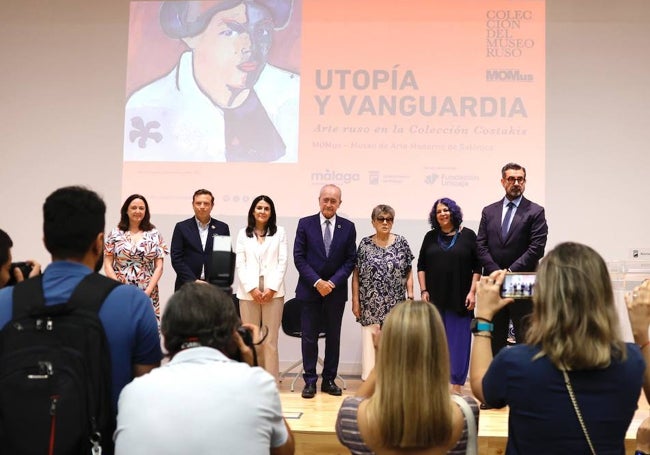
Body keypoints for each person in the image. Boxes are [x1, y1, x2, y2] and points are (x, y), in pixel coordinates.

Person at [470, 242, 645, 454]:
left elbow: (482, 389)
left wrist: (483, 318)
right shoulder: (631, 360)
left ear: (543, 297)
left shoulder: (516, 363)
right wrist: (642, 334)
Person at [0, 186, 162, 414]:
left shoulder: (5, 301)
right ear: (99, 242)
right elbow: (146, 394)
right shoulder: (133, 303)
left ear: (46, 241)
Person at [114, 282, 295, 454]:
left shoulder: (132, 393)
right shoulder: (257, 385)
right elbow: (285, 450)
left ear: (166, 337)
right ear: (234, 336)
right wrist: (257, 368)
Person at [124, 0, 300, 163]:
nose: (250, 46)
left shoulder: (295, 96)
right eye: (230, 32)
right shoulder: (148, 107)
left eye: (262, 31)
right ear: (191, 37)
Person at [336, 300, 479, 455]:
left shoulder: (351, 417)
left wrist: (381, 358)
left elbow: (357, 405)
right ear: (440, 348)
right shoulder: (465, 413)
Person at [476, 162, 548, 356]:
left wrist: (508, 272)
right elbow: (480, 245)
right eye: (511, 179)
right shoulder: (488, 211)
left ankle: (527, 382)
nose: (516, 183)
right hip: (493, 280)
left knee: (526, 335)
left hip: (522, 279)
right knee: (495, 335)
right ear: (503, 181)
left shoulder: (535, 211)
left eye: (520, 179)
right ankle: (495, 381)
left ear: (525, 182)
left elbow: (537, 248)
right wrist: (496, 272)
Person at [294, 184, 356, 398]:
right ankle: (310, 380)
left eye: (333, 200)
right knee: (309, 337)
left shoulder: (348, 227)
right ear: (319, 200)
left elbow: (350, 260)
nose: (329, 204)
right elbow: (299, 258)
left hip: (335, 293)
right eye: (325, 199)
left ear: (340, 203)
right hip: (310, 291)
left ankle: (329, 380)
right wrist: (318, 282)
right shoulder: (305, 224)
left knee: (333, 337)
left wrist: (332, 283)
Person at [417, 198, 480, 394]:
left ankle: (456, 386)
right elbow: (421, 266)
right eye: (438, 212)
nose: (443, 214)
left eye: (446, 210)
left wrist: (472, 292)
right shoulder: (430, 237)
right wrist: (423, 290)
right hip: (434, 299)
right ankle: (436, 385)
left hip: (460, 298)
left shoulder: (469, 235)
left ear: (453, 212)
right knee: (434, 344)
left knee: (459, 344)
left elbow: (477, 267)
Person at [351, 204, 413, 381]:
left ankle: (393, 383)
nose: (385, 222)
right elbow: (356, 274)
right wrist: (356, 300)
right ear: (373, 222)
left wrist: (410, 296)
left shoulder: (401, 243)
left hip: (396, 304)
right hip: (370, 303)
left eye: (389, 219)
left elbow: (408, 270)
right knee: (370, 346)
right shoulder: (364, 244)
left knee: (394, 345)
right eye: (381, 219)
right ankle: (370, 382)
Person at [235, 195, 288, 380]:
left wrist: (272, 288)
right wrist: (251, 289)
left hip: (273, 292)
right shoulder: (243, 233)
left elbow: (283, 262)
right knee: (250, 339)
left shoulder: (279, 232)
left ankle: (270, 380)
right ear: (252, 211)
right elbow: (240, 264)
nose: (262, 211)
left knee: (270, 340)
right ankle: (251, 380)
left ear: (271, 212)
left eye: (266, 208)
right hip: (248, 292)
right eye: (259, 208)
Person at [104, 194, 169, 322]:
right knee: (120, 326)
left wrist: (148, 290)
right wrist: (119, 287)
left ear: (146, 211)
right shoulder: (115, 234)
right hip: (119, 289)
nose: (138, 211)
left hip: (147, 290)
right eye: (134, 208)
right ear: (126, 211)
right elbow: (107, 264)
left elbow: (159, 267)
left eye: (141, 208)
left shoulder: (154, 234)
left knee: (145, 329)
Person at [171, 189, 230, 291]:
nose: (202, 206)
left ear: (212, 206)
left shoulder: (222, 228)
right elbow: (176, 259)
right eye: (198, 203)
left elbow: (224, 259)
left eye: (206, 203)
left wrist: (214, 283)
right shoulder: (181, 227)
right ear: (193, 205)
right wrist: (193, 280)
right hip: (186, 286)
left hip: (213, 288)